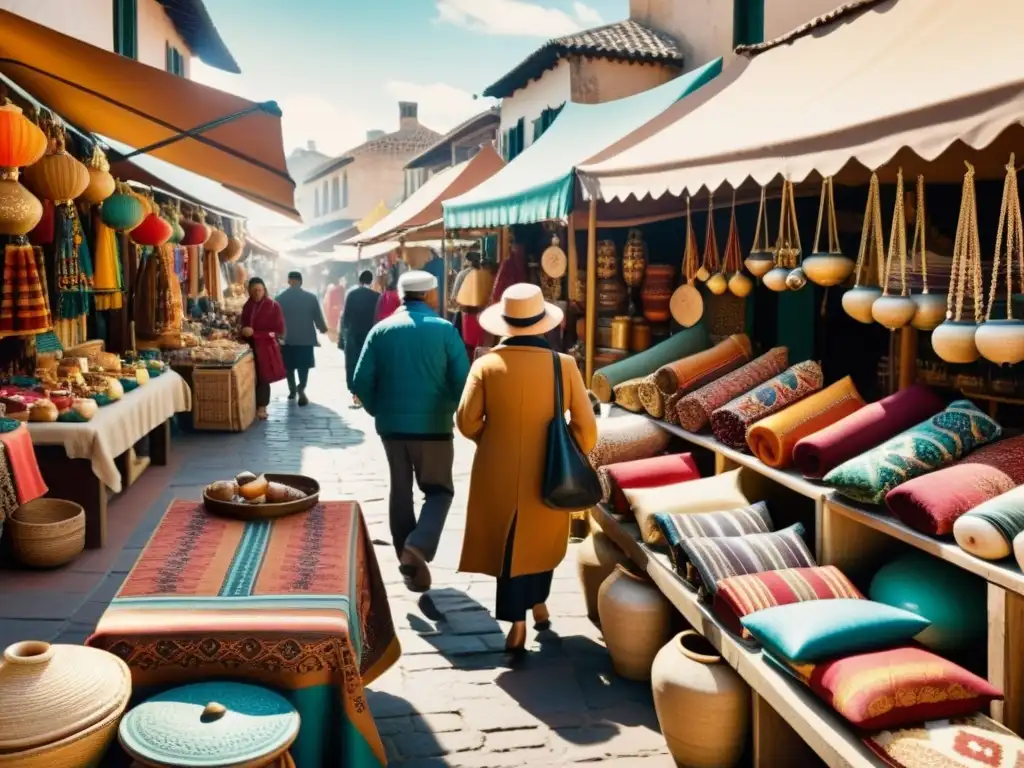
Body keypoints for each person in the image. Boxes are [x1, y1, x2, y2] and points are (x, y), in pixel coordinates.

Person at [456, 283, 598, 658]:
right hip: (550, 467)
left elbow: (467, 422)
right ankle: (538, 605)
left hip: (496, 469)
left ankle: (517, 619)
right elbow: (587, 428)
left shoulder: (485, 364)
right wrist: (567, 451)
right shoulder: (564, 365)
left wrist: (495, 440)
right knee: (540, 539)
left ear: (505, 323)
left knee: (508, 541)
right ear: (542, 324)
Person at [352, 270, 469, 593]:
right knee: (439, 490)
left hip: (392, 429)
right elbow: (464, 382)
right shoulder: (445, 330)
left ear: (402, 296)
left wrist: (379, 410)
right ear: (431, 295)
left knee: (400, 493)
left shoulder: (381, 330)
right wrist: (456, 412)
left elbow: (359, 381)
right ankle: (417, 545)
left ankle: (410, 566)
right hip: (433, 428)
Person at [276, 271, 328, 406]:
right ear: (301, 282)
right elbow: (317, 316)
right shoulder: (310, 297)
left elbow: (276, 319)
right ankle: (301, 387)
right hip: (306, 338)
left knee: (289, 366)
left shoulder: (280, 298)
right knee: (303, 366)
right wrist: (323, 328)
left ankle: (292, 390)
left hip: (288, 339)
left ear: (288, 281)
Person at [240, 277, 287, 421]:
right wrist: (242, 331)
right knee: (250, 377)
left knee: (263, 377)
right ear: (249, 291)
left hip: (265, 347)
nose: (257, 293)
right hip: (249, 346)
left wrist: (256, 333)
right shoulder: (247, 306)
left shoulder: (273, 306)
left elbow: (279, 331)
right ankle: (251, 405)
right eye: (254, 290)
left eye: (260, 290)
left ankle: (262, 407)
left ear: (264, 290)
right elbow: (243, 323)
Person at [339, 269, 379, 408]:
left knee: (353, 363)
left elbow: (346, 317)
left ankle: (355, 393)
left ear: (359, 280)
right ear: (371, 281)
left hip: (354, 334)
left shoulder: (351, 295)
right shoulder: (376, 296)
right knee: (368, 363)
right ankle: (367, 393)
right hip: (370, 334)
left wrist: (343, 336)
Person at [323, 277, 347, 345]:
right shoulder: (339, 290)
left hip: (333, 311)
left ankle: (335, 337)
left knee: (334, 324)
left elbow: (327, 303)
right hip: (336, 310)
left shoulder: (332, 291)